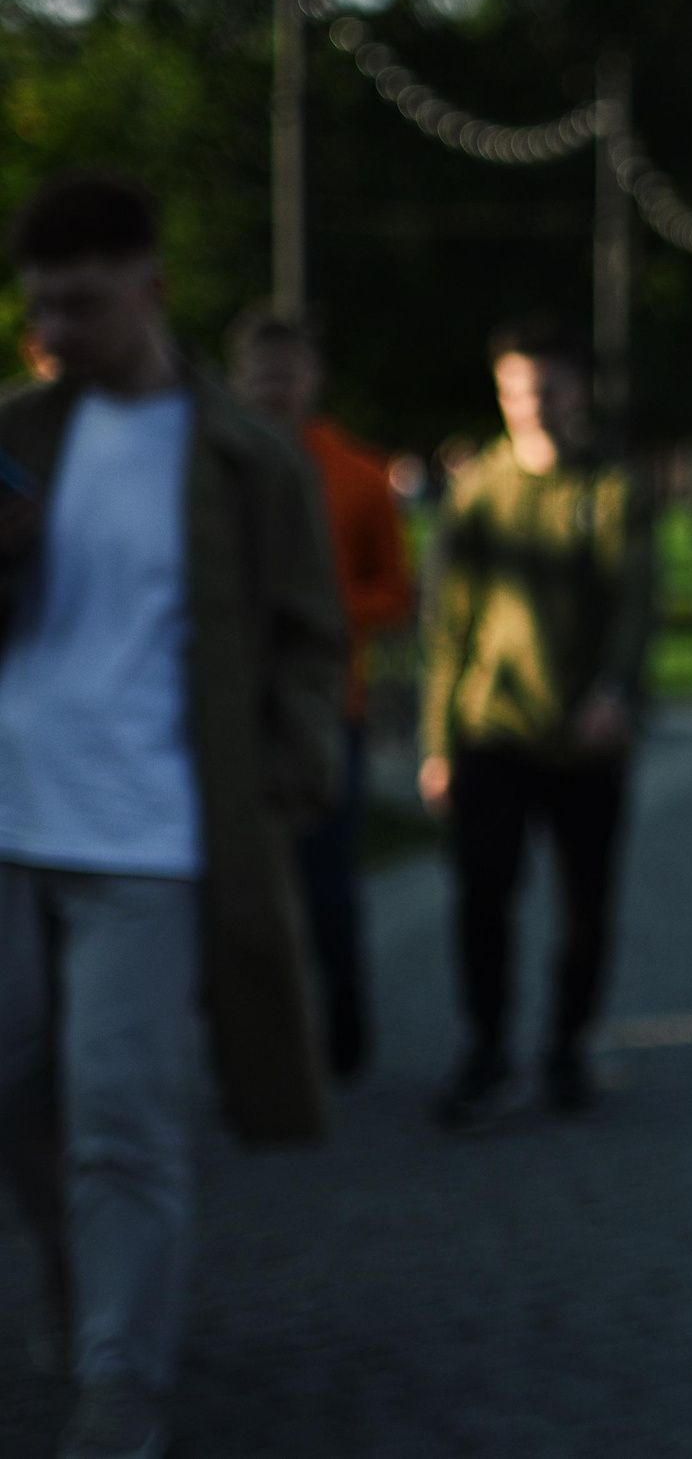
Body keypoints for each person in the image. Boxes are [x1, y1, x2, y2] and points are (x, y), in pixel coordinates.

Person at [0, 171, 344, 1459]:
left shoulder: (247, 455)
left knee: (122, 1122)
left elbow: (311, 640)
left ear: (148, 289)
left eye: (81, 304)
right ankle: (84, 1283)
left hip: (154, 839)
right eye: (40, 307)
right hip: (9, 824)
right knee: (15, 1100)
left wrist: (288, 775)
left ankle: (116, 1396)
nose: (55, 331)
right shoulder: (16, 434)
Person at [418, 323, 652, 1132]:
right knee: (483, 895)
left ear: (577, 390)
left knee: (584, 905)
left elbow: (634, 604)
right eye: (517, 388)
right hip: (494, 729)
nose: (532, 405)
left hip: (588, 738)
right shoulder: (478, 486)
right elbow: (449, 623)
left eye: (547, 388)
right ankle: (485, 1048)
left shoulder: (615, 484)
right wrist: (438, 743)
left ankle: (566, 1047)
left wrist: (617, 691)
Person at [230, 306, 415, 1082]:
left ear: (314, 378)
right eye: (262, 371)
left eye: (290, 370)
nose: (276, 385)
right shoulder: (208, 464)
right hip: (226, 705)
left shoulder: (357, 473)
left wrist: (326, 614)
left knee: (326, 883)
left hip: (325, 705)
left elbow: (398, 592)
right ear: (238, 377)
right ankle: (248, 1043)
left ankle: (343, 1033)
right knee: (236, 889)